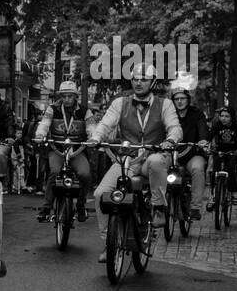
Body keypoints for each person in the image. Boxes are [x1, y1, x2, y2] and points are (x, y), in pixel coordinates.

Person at [86, 63, 183, 262]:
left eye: (144, 79)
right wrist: (96, 138)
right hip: (128, 158)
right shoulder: (120, 102)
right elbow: (106, 123)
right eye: (136, 79)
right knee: (99, 194)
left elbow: (175, 127)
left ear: (152, 82)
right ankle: (108, 243)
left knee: (157, 162)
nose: (138, 82)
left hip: (153, 155)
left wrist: (170, 140)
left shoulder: (165, 104)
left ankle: (157, 209)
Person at [34, 80, 93, 222]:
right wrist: (40, 134)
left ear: (75, 97)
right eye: (64, 96)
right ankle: (46, 207)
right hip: (57, 149)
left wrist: (93, 137)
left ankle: (80, 205)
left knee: (85, 174)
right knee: (54, 172)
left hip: (77, 150)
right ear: (60, 96)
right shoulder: (52, 109)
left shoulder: (85, 111)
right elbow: (45, 124)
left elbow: (92, 127)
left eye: (70, 96)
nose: (66, 99)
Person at [167, 81, 211, 220]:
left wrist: (203, 140)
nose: (179, 101)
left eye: (182, 98)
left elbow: (202, 127)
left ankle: (195, 207)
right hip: (172, 153)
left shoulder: (196, 114)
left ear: (188, 100)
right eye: (176, 99)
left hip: (193, 153)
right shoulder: (169, 114)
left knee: (198, 168)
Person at [205, 107, 237, 213]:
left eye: (227, 116)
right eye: (222, 116)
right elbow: (210, 136)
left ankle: (234, 193)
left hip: (234, 152)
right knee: (214, 171)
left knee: (230, 169)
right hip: (219, 152)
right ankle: (213, 196)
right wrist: (205, 144)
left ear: (232, 117)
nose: (223, 118)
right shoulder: (217, 125)